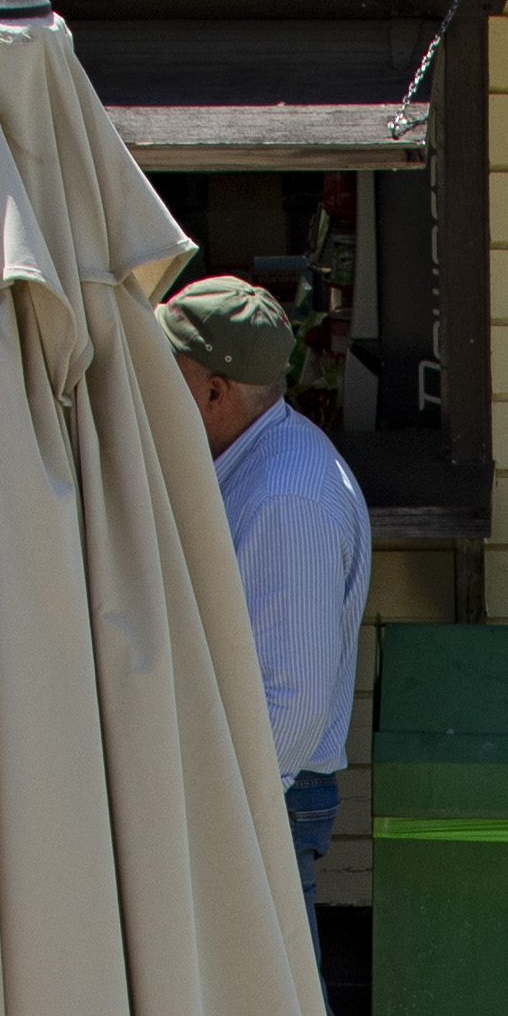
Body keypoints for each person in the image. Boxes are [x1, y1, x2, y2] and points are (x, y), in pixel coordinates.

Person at [174, 272, 370, 905]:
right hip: (253, 790)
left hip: (261, 797)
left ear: (213, 391)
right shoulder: (257, 465)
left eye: (163, 374)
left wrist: (212, 811)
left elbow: (290, 701)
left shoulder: (284, 496)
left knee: (281, 1005)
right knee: (267, 1003)